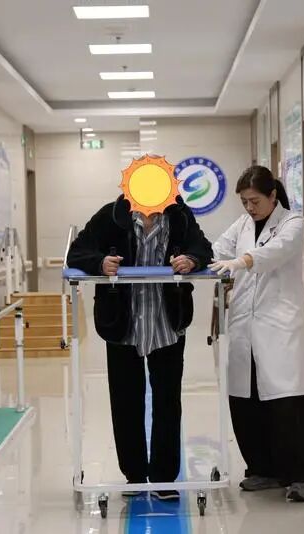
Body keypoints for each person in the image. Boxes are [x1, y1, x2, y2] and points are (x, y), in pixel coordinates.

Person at [67, 194, 213, 501]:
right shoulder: (111, 215)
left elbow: (203, 248)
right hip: (123, 324)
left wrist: (191, 260)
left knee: (167, 403)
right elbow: (77, 252)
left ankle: (164, 479)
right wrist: (99, 263)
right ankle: (133, 475)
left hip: (167, 323)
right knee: (125, 402)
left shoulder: (179, 216)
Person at [209, 165, 304, 503]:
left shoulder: (293, 222)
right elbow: (218, 248)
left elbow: (276, 252)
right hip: (245, 324)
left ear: (273, 196)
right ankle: (262, 469)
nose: (249, 208)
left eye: (254, 201)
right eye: (244, 202)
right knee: (247, 400)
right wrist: (194, 258)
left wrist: (241, 261)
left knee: (288, 403)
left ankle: (300, 476)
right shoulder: (242, 224)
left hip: (280, 326)